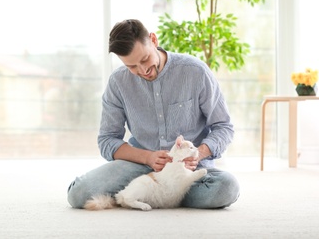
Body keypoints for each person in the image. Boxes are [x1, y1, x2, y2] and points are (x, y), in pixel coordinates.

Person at [67, 19, 240, 209]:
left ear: (153, 40)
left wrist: (198, 154)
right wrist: (148, 158)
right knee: (78, 194)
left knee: (226, 188)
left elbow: (223, 126)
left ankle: (158, 196)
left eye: (144, 59)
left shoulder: (195, 72)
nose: (143, 71)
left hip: (188, 169)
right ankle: (162, 196)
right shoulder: (117, 83)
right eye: (132, 67)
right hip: (141, 168)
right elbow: (107, 140)